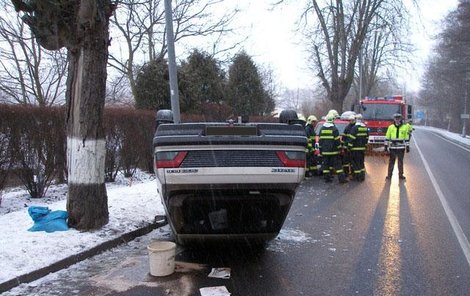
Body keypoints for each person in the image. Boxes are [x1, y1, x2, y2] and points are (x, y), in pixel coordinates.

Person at [318, 114, 348, 183]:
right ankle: (342, 179)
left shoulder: (322, 129)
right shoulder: (334, 129)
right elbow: (337, 141)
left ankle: (327, 178)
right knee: (338, 166)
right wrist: (340, 149)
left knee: (325, 165)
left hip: (325, 152)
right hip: (333, 152)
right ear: (332, 120)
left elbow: (320, 141)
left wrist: (321, 150)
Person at [384, 113, 409, 180]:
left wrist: (407, 146)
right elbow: (387, 137)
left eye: (398, 118)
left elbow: (406, 137)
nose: (397, 120)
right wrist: (386, 146)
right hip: (393, 147)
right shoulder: (391, 127)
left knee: (400, 162)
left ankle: (401, 175)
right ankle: (389, 175)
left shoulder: (405, 127)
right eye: (396, 118)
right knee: (391, 162)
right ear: (394, 119)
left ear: (400, 119)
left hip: (401, 148)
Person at [347, 114, 369, 181]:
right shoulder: (365, 128)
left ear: (356, 119)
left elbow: (352, 138)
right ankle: (362, 176)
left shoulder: (355, 128)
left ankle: (357, 177)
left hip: (355, 149)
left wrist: (349, 147)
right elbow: (367, 138)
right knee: (361, 162)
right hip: (362, 149)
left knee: (355, 163)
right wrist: (364, 145)